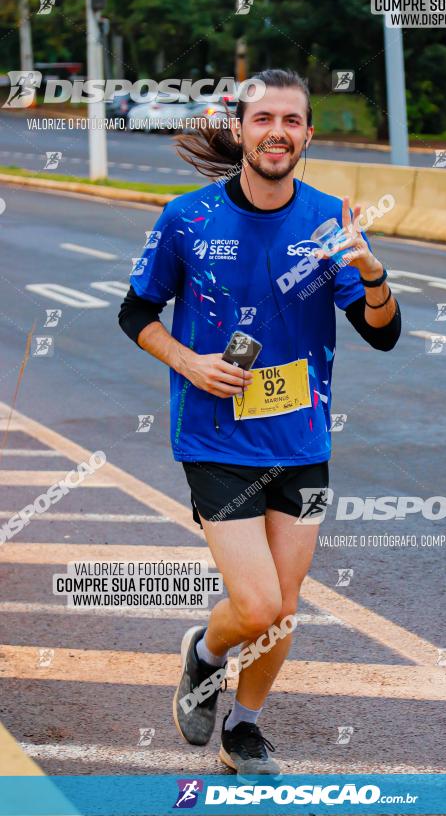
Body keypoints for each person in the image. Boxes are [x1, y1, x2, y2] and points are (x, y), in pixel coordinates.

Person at [118, 68, 401, 779]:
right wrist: (189, 362)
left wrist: (371, 274)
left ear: (307, 134)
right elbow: (135, 314)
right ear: (241, 129)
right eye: (264, 118)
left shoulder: (327, 220)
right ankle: (204, 655)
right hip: (214, 435)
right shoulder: (187, 217)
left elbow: (383, 334)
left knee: (282, 610)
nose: (277, 131)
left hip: (301, 440)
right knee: (256, 602)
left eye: (292, 120)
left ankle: (243, 729)